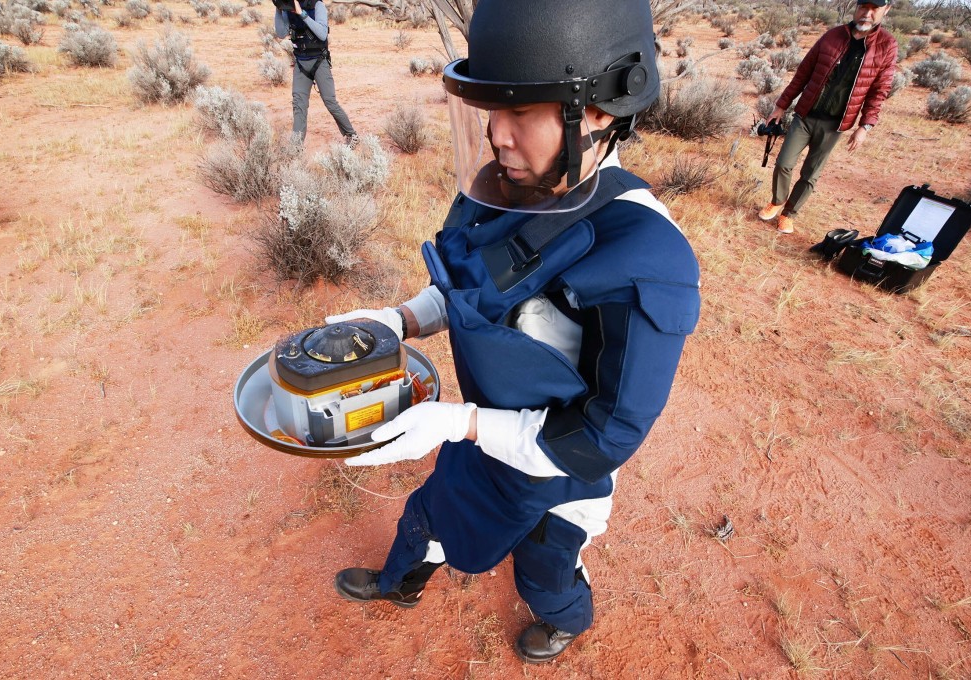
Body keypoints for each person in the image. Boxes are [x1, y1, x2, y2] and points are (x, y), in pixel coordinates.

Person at [324, 0, 700, 664]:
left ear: (602, 111)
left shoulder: (647, 258)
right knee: (429, 514)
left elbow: (600, 437)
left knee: (544, 570)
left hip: (558, 475)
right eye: (490, 111)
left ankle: (565, 619)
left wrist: (460, 423)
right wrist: (400, 320)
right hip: (480, 431)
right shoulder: (503, 187)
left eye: (521, 112)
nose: (497, 135)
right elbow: (465, 287)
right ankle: (400, 583)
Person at [759, 0, 897, 235]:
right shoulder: (833, 36)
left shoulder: (886, 45)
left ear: (886, 10)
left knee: (811, 173)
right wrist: (781, 106)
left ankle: (789, 215)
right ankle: (777, 200)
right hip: (805, 115)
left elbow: (879, 90)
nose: (868, 13)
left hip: (836, 124)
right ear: (856, 8)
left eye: (875, 9)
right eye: (864, 7)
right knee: (784, 163)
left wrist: (865, 126)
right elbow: (803, 73)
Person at [273, 0, 358, 145]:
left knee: (330, 101)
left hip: (319, 61)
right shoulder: (288, 7)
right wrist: (279, 8)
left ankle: (351, 135)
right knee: (298, 104)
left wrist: (302, 14)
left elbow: (322, 34)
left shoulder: (317, 5)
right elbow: (281, 33)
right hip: (301, 63)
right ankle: (296, 147)